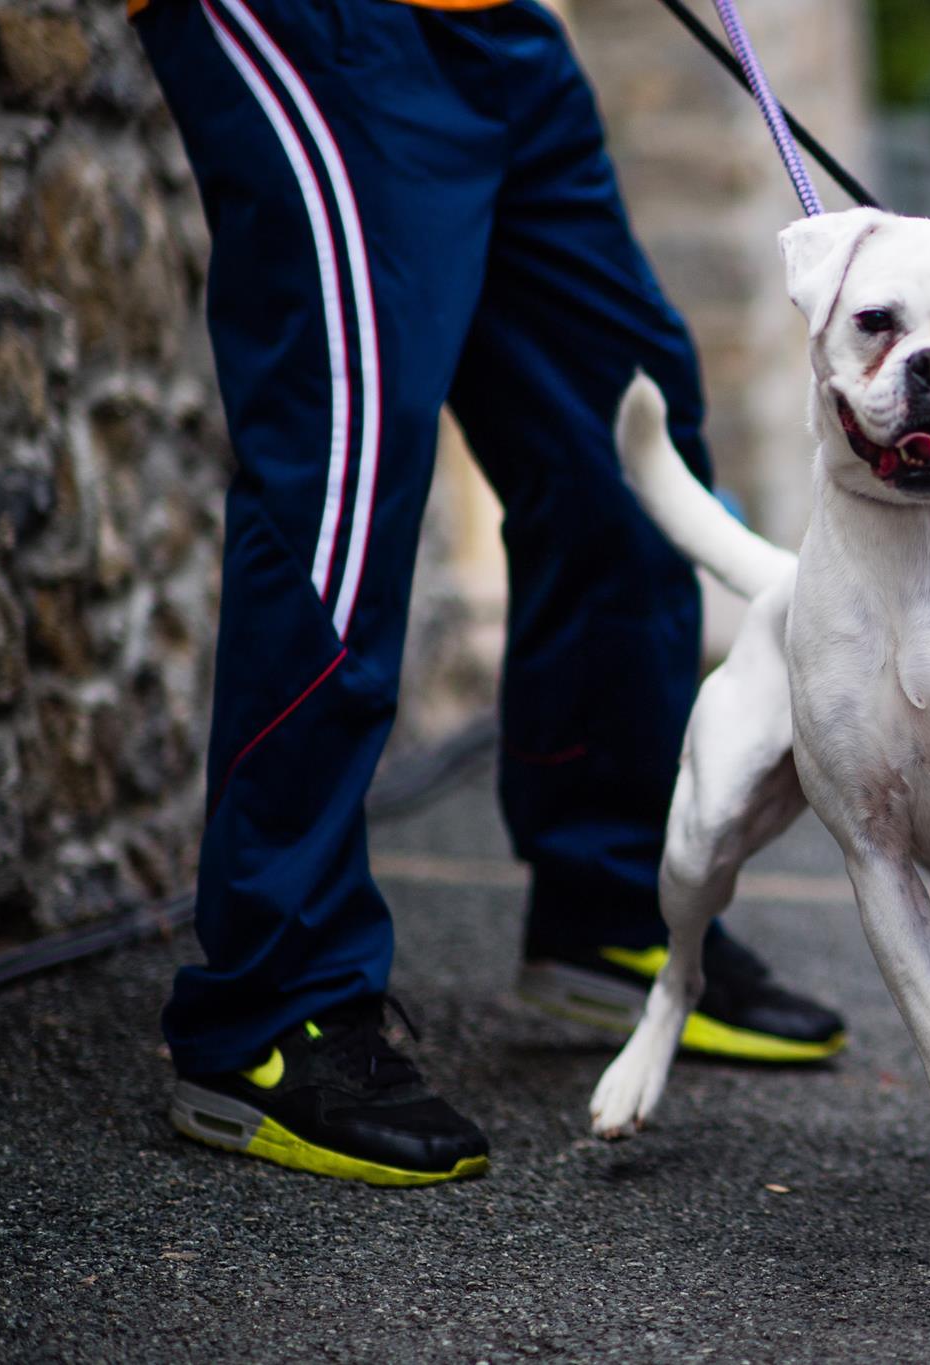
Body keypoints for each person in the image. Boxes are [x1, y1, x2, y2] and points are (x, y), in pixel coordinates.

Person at [134, 0, 845, 1187]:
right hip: (316, 26)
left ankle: (615, 902)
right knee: (344, 468)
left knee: (626, 425)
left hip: (493, 28)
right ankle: (267, 1010)